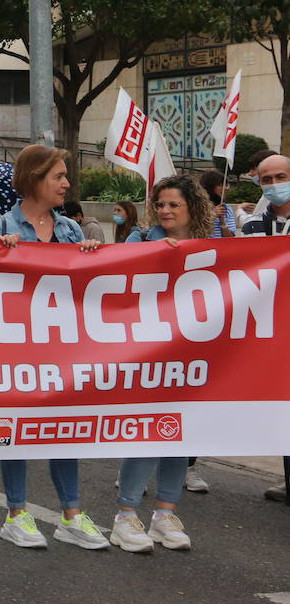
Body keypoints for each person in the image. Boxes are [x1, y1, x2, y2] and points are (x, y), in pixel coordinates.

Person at [0, 144, 106, 551]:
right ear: (34, 179)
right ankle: (16, 513)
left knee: (64, 430)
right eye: (59, 176)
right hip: (15, 350)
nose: (67, 183)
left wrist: (88, 257)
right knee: (15, 430)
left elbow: (85, 288)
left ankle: (72, 515)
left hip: (60, 351)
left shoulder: (70, 229)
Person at [107, 174, 212, 552]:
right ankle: (125, 515)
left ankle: (165, 514)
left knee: (180, 436)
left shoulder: (213, 246)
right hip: (147, 351)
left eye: (174, 205)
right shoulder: (140, 239)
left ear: (192, 208)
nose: (165, 211)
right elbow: (111, 270)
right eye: (161, 204)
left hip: (192, 354)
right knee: (146, 431)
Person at [240, 153, 290, 503]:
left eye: (280, 177)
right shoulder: (252, 226)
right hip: (272, 335)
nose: (273, 185)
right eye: (266, 180)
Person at [200, 169, 237, 238]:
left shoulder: (226, 208)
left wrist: (222, 221)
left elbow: (230, 238)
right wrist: (212, 215)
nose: (225, 188)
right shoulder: (197, 207)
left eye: (226, 185)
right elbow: (194, 231)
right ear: (210, 186)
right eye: (221, 185)